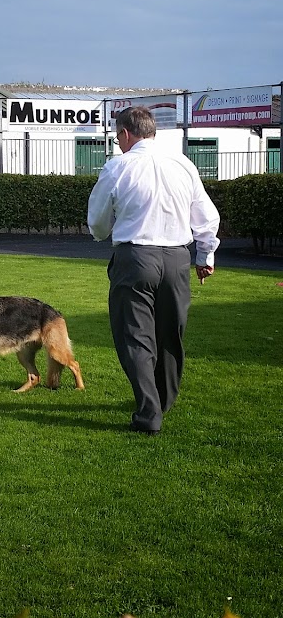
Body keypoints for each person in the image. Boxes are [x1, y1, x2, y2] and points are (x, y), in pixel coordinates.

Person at [87, 105, 220, 435]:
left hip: (135, 257)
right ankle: (163, 399)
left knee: (135, 336)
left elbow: (98, 222)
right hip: (177, 258)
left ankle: (149, 412)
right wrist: (205, 256)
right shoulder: (183, 163)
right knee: (170, 334)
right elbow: (206, 215)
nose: (118, 143)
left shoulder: (118, 166)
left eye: (118, 137)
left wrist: (102, 233)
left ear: (125, 134)